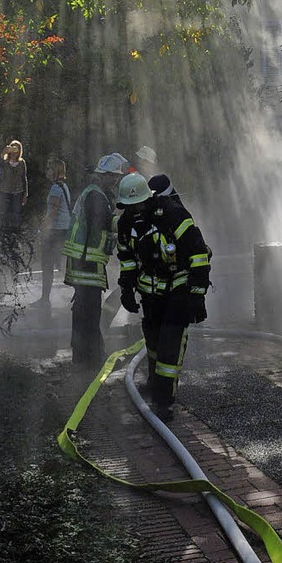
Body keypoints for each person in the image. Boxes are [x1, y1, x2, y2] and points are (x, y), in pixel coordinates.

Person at [116, 171, 211, 421]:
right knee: (154, 341)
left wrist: (197, 295)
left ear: (148, 199)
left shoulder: (172, 214)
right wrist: (126, 289)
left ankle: (163, 400)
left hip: (178, 285)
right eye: (127, 205)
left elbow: (198, 254)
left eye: (136, 204)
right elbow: (126, 259)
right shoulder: (125, 223)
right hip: (150, 291)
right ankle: (155, 381)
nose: (133, 210)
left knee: (170, 343)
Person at [62, 153, 127, 367]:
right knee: (90, 312)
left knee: (83, 310)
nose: (115, 181)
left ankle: (82, 357)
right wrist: (127, 221)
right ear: (104, 175)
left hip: (82, 260)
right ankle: (94, 359)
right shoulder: (96, 197)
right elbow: (104, 223)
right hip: (87, 262)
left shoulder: (93, 193)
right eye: (114, 177)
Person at [31, 158, 72, 315]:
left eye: (49, 168)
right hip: (64, 229)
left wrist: (44, 227)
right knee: (62, 263)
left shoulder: (56, 188)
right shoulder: (64, 186)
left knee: (47, 265)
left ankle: (45, 300)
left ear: (55, 171)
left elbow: (54, 210)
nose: (47, 171)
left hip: (56, 230)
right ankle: (74, 295)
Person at [0, 140, 28, 230]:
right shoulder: (5, 162)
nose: (14, 151)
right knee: (4, 212)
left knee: (16, 213)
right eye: (12, 148)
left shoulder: (22, 163)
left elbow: (24, 178)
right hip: (5, 191)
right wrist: (3, 153)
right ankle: (3, 231)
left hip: (18, 192)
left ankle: (15, 232)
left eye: (16, 149)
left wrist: (26, 194)